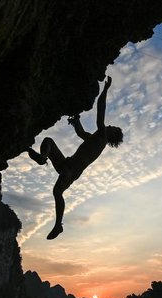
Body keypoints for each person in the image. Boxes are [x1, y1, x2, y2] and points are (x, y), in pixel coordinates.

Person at [27, 76, 124, 240]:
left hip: (71, 171)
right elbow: (80, 133)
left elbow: (101, 110)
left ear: (112, 134)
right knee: (48, 141)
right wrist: (76, 121)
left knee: (57, 192)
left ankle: (58, 225)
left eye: (112, 127)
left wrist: (106, 90)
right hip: (67, 164)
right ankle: (43, 158)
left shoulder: (101, 137)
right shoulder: (95, 140)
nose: (109, 125)